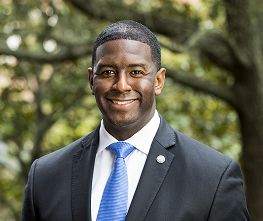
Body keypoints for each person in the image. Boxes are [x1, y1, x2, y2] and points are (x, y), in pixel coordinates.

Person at [21, 20, 250, 221]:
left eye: (136, 72)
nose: (121, 85)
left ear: (159, 81)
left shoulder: (213, 177)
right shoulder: (45, 176)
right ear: (92, 80)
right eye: (108, 72)